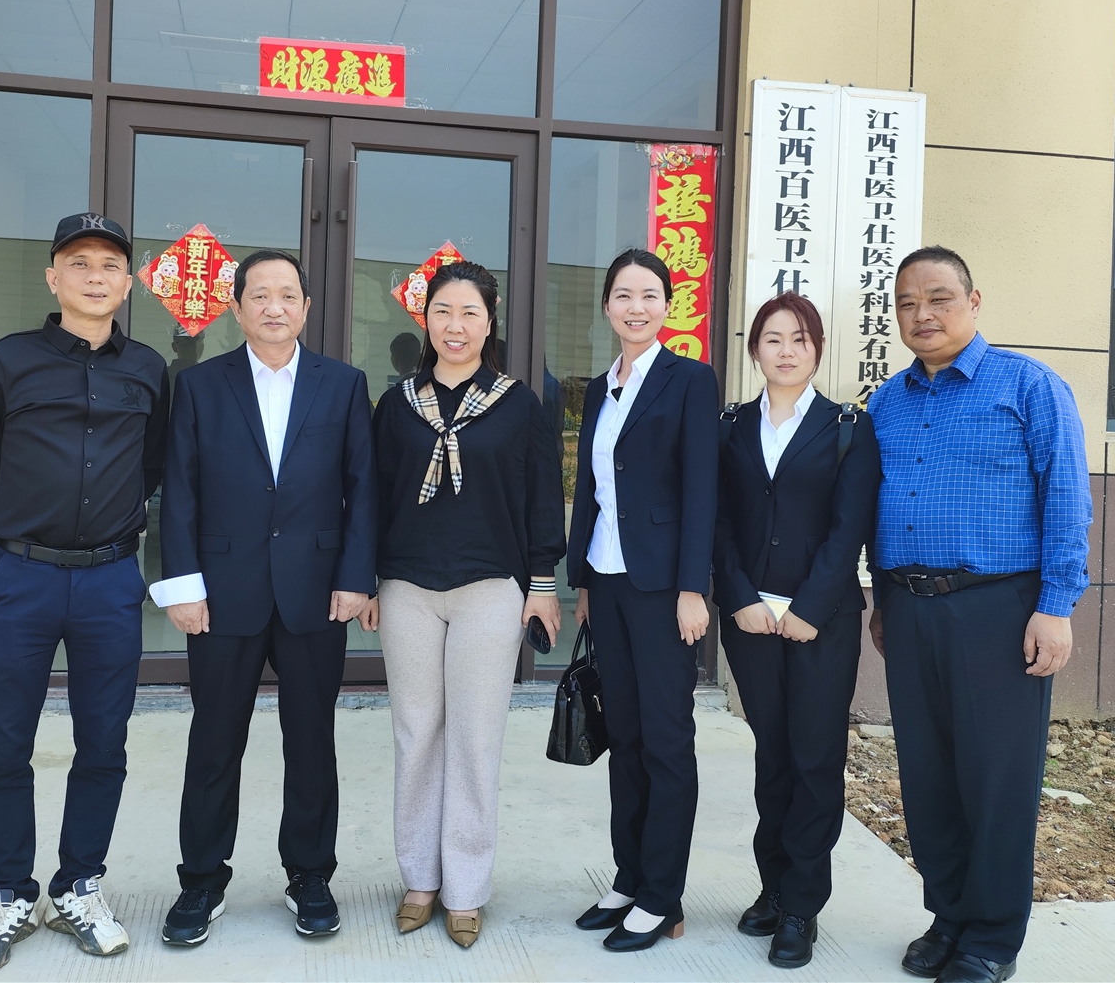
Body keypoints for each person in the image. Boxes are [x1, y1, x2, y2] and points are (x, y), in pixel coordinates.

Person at [867, 246, 1091, 983]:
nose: (922, 314)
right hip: (909, 607)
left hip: (999, 609)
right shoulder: (888, 402)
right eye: (907, 303)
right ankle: (949, 915)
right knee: (927, 773)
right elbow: (877, 504)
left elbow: (1067, 500)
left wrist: (1055, 606)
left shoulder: (1029, 386)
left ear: (974, 301)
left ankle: (992, 936)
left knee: (997, 778)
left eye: (938, 298)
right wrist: (882, 600)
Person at [0, 213, 169, 974]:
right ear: (53, 277)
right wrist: (29, 522)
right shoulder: (8, 361)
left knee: (103, 741)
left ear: (128, 282)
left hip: (111, 578)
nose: (95, 276)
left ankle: (80, 883)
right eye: (79, 262)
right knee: (4, 742)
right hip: (24, 576)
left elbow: (151, 465)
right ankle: (7, 892)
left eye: (110, 264)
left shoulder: (148, 369)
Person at [153, 250, 376, 945]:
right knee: (214, 741)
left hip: (316, 591)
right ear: (237, 307)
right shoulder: (200, 385)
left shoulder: (343, 384)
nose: (274, 307)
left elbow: (363, 487)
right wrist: (183, 585)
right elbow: (179, 489)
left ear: (306, 307)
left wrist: (355, 576)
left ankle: (309, 874)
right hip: (222, 593)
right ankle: (201, 879)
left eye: (287, 295)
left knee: (311, 741)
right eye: (259, 295)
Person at [364, 261, 565, 948]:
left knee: (476, 739)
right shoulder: (397, 404)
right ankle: (420, 878)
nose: (455, 326)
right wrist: (368, 579)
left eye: (469, 313)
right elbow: (373, 496)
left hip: (490, 587)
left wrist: (543, 583)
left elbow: (542, 497)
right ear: (426, 319)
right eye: (443, 312)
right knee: (417, 733)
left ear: (490, 320)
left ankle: (467, 887)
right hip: (408, 587)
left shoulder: (519, 404)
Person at [713, 292, 880, 969]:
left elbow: (850, 528)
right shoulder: (730, 425)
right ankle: (773, 886)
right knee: (773, 754)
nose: (786, 350)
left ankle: (802, 907)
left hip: (822, 620)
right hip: (750, 618)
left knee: (815, 758)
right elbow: (717, 520)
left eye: (800, 338)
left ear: (817, 349)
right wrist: (739, 597)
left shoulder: (848, 427)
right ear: (755, 349)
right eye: (773, 338)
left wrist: (810, 605)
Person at [565, 248, 718, 952]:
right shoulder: (600, 388)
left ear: (667, 306)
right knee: (623, 737)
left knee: (665, 740)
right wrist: (583, 581)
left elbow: (701, 489)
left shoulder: (690, 380)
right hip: (609, 581)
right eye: (623, 295)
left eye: (649, 294)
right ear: (607, 306)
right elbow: (591, 492)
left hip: (663, 589)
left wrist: (693, 586)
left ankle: (662, 895)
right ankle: (628, 878)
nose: (636, 306)